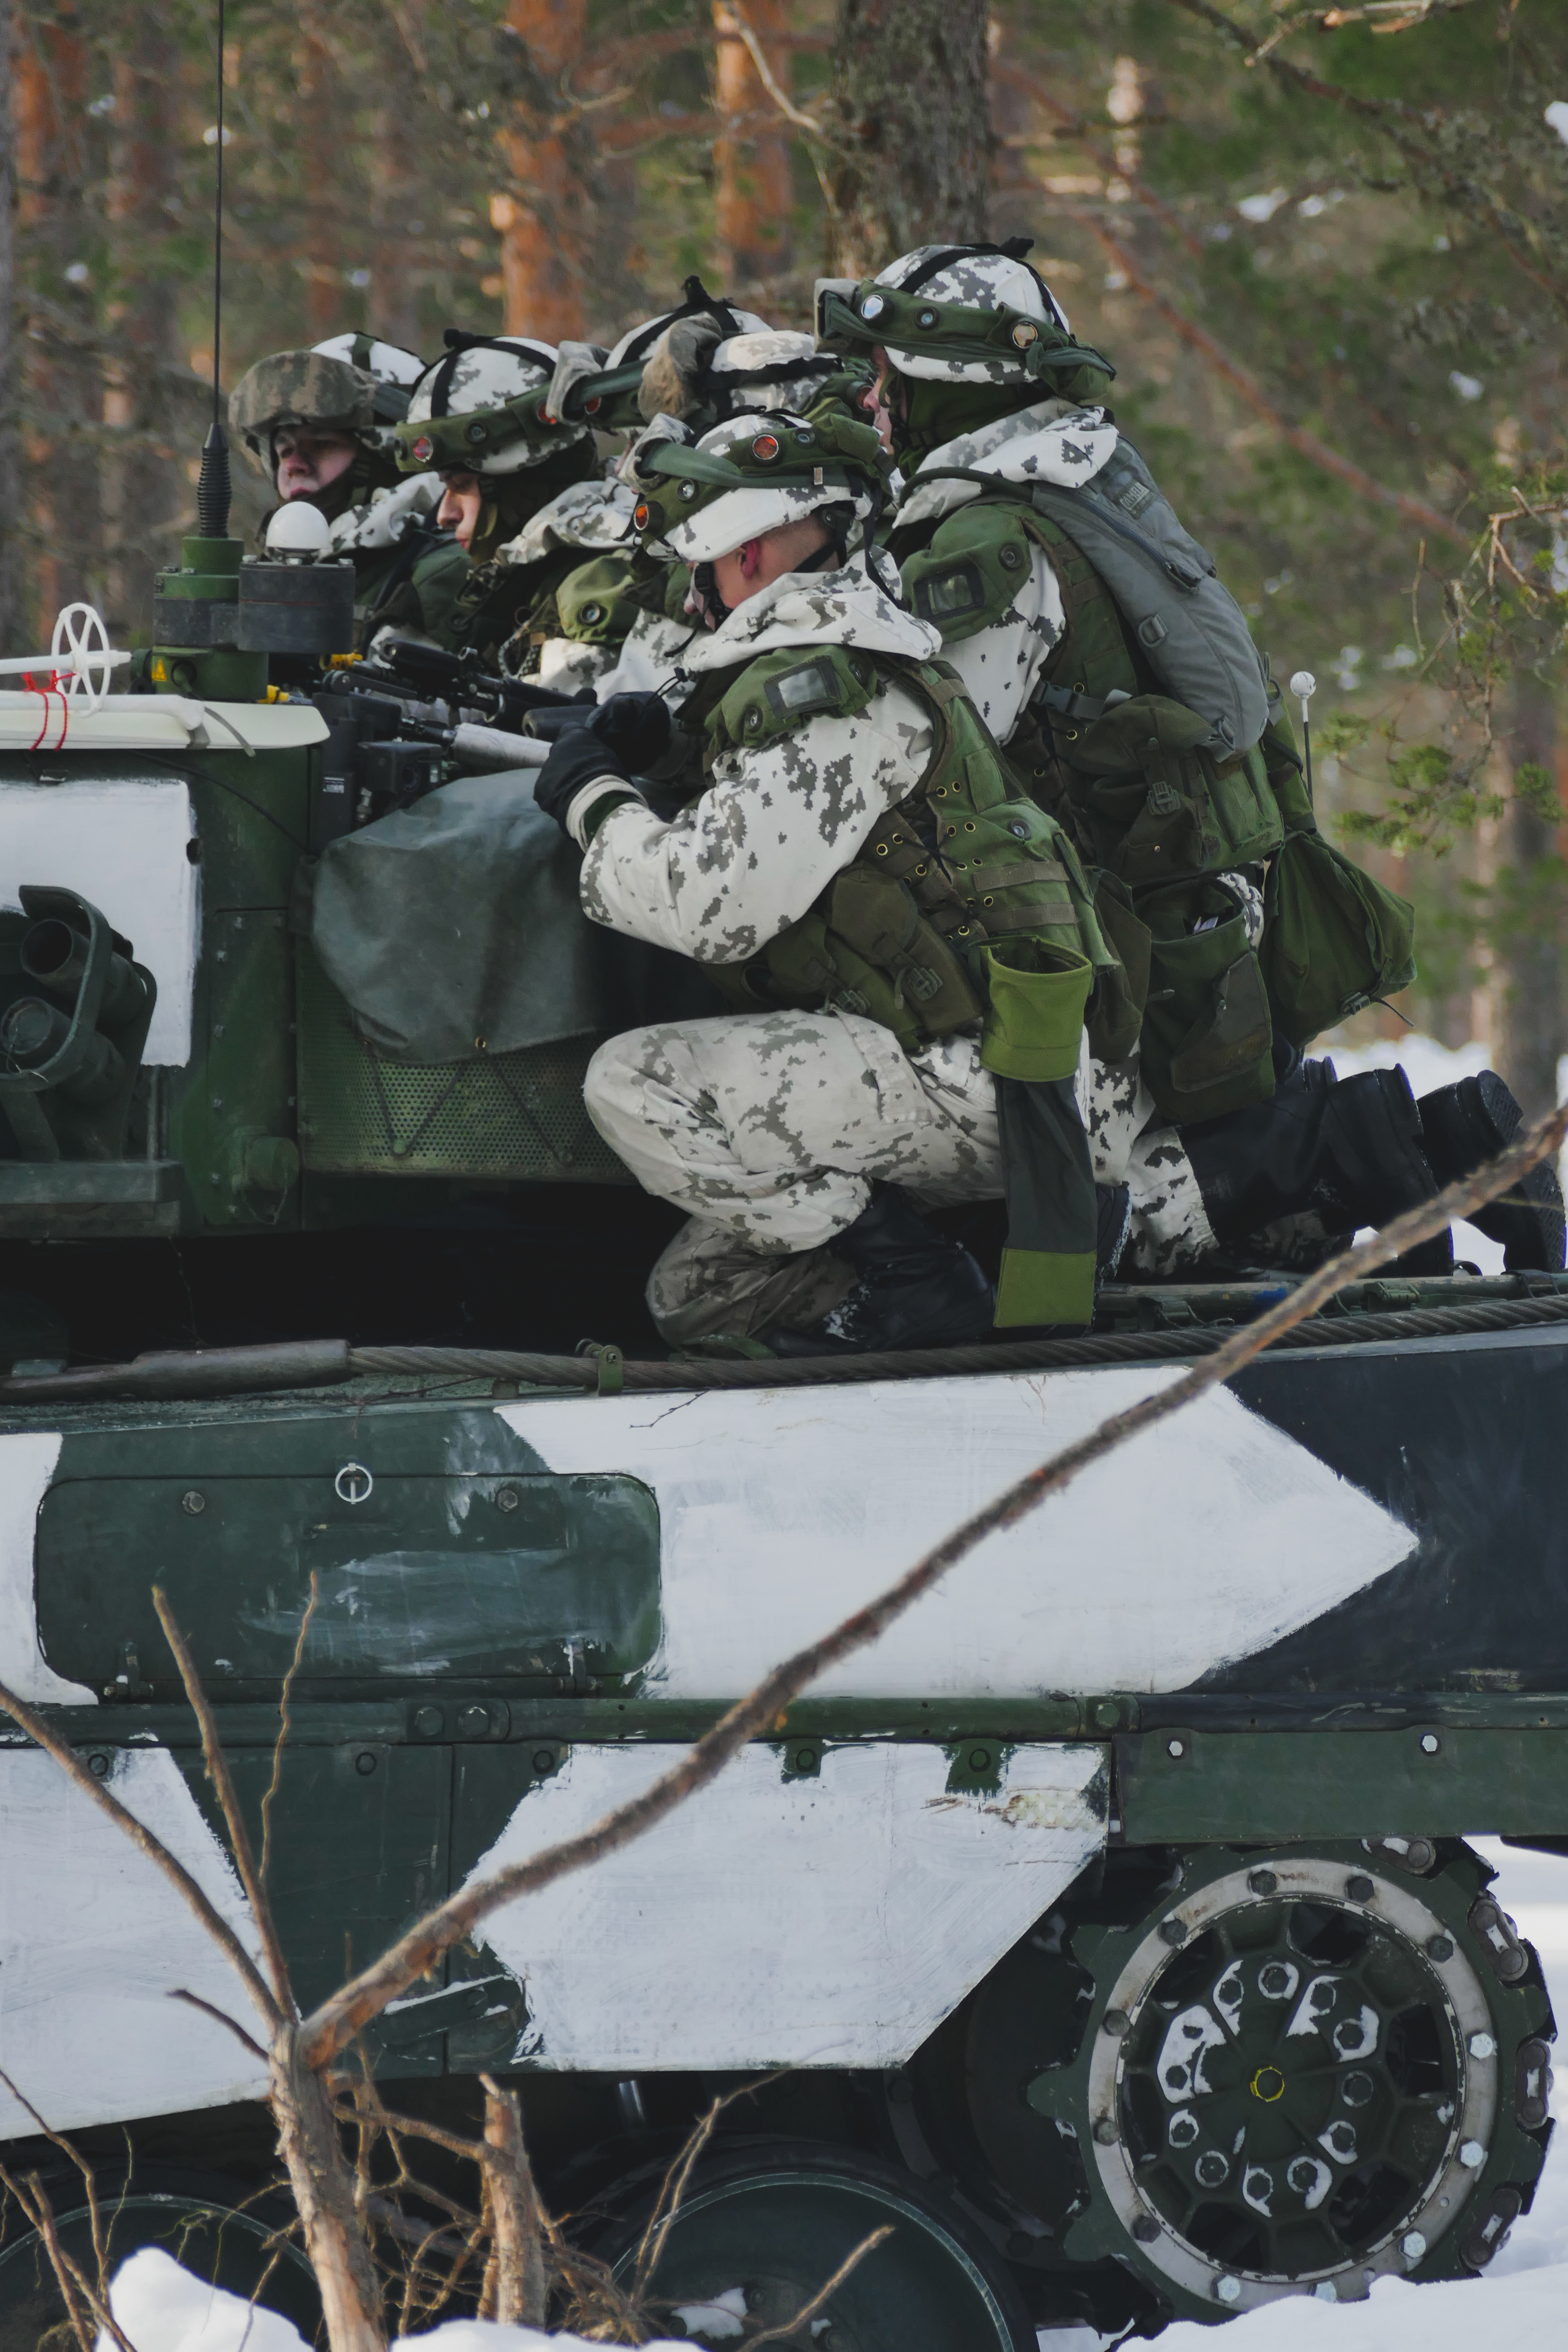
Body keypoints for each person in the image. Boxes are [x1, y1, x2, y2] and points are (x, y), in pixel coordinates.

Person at [818, 241, 1565, 1275]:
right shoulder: (1077, 481)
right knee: (1208, 1220)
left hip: (1125, 950)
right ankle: (1437, 1139)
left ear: (947, 379)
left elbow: (932, 762)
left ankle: (1354, 1146)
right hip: (1180, 930)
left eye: (887, 374)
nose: (872, 399)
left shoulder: (985, 542)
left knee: (1127, 1234)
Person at [529, 406, 1137, 1355]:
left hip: (985, 1081)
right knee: (696, 1295)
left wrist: (592, 801)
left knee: (638, 1087)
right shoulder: (860, 656)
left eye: (698, 567)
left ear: (755, 554)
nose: (692, 598)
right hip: (963, 1059)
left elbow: (710, 908)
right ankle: (942, 1260)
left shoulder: (832, 700)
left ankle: (920, 1278)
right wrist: (675, 739)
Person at [393, 332, 636, 689]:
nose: (445, 515)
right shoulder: (525, 573)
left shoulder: (599, 582)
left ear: (521, 485)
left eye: (461, 487)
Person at [228, 333, 469, 653]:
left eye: (322, 445)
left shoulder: (443, 573)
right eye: (284, 451)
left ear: (387, 457)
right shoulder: (271, 579)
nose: (295, 465)